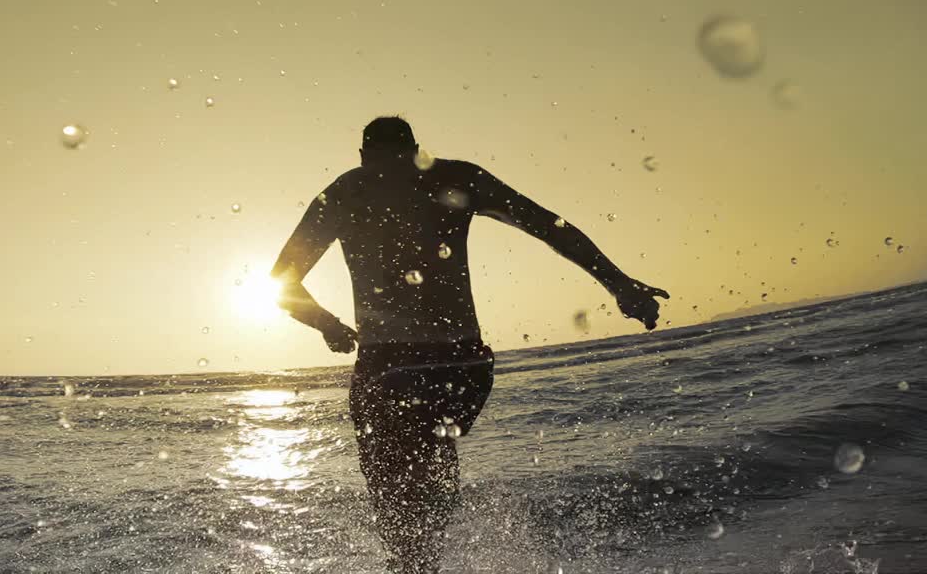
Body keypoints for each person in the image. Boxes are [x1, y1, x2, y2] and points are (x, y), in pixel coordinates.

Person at [270, 116, 669, 573]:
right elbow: (550, 227)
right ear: (416, 149)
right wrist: (619, 284)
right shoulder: (456, 177)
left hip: (391, 365)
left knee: (395, 491)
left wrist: (328, 325)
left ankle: (415, 564)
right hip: (463, 363)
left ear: (364, 156)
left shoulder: (345, 192)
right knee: (431, 459)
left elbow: (282, 280)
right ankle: (425, 555)